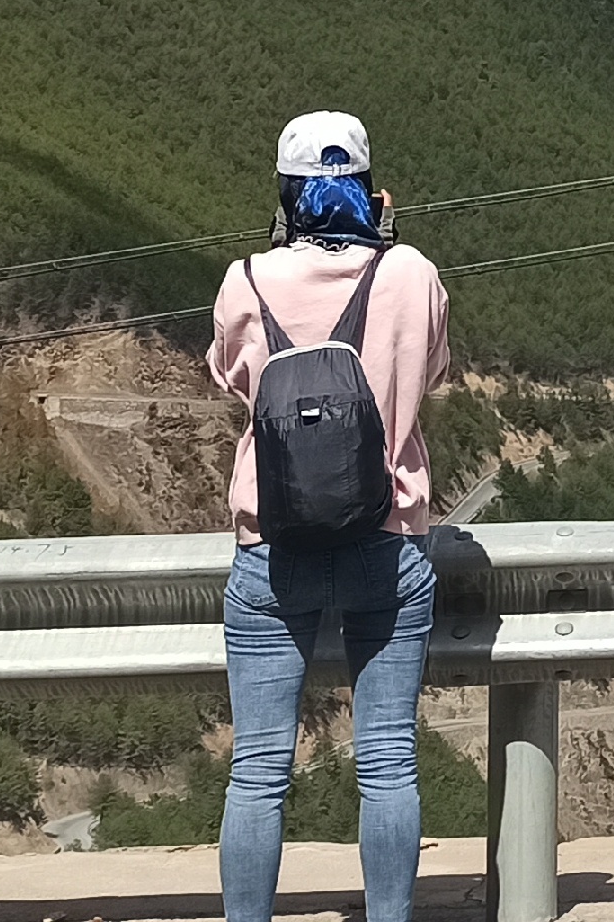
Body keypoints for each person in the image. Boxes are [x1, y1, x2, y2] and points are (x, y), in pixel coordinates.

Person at [206, 110, 449, 922]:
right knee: (388, 762)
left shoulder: (246, 279)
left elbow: (232, 380)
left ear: (286, 192)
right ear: (372, 192)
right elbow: (435, 371)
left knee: (259, 771)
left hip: (273, 546)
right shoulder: (411, 273)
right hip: (390, 537)